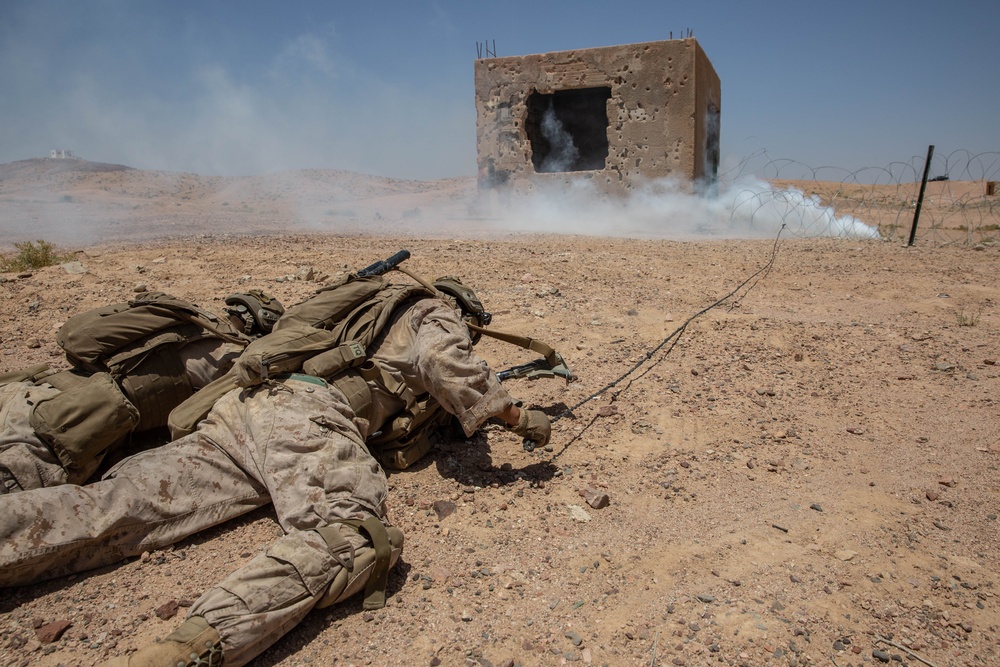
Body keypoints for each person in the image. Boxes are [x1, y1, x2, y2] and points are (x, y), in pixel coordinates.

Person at [0, 267, 552, 667]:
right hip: (302, 415)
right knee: (350, 536)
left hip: (237, 409)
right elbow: (443, 364)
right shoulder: (432, 311)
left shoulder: (353, 307)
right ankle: (192, 647)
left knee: (121, 505)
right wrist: (515, 415)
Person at [0, 291, 255, 493]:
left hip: (30, 390)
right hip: (58, 425)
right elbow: (187, 423)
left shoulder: (181, 316)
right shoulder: (236, 355)